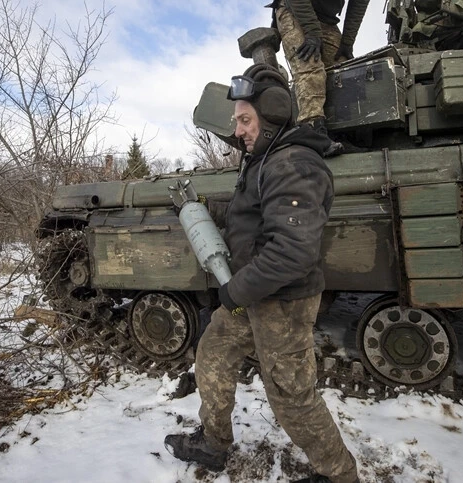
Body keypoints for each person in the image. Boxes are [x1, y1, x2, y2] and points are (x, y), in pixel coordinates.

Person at [164, 63, 359, 483]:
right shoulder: (265, 158)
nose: (238, 130)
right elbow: (254, 219)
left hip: (281, 303)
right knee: (213, 352)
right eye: (237, 120)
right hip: (254, 294)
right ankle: (214, 444)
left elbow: (291, 251)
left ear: (271, 116)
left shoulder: (294, 164)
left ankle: (340, 475)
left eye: (245, 119)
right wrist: (201, 213)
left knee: (291, 396)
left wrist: (234, 292)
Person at [271, 0, 370, 156]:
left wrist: (347, 43)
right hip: (295, 10)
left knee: (344, 71)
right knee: (310, 63)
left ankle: (341, 135)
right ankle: (312, 130)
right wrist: (312, 33)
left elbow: (358, 6)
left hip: (326, 19)